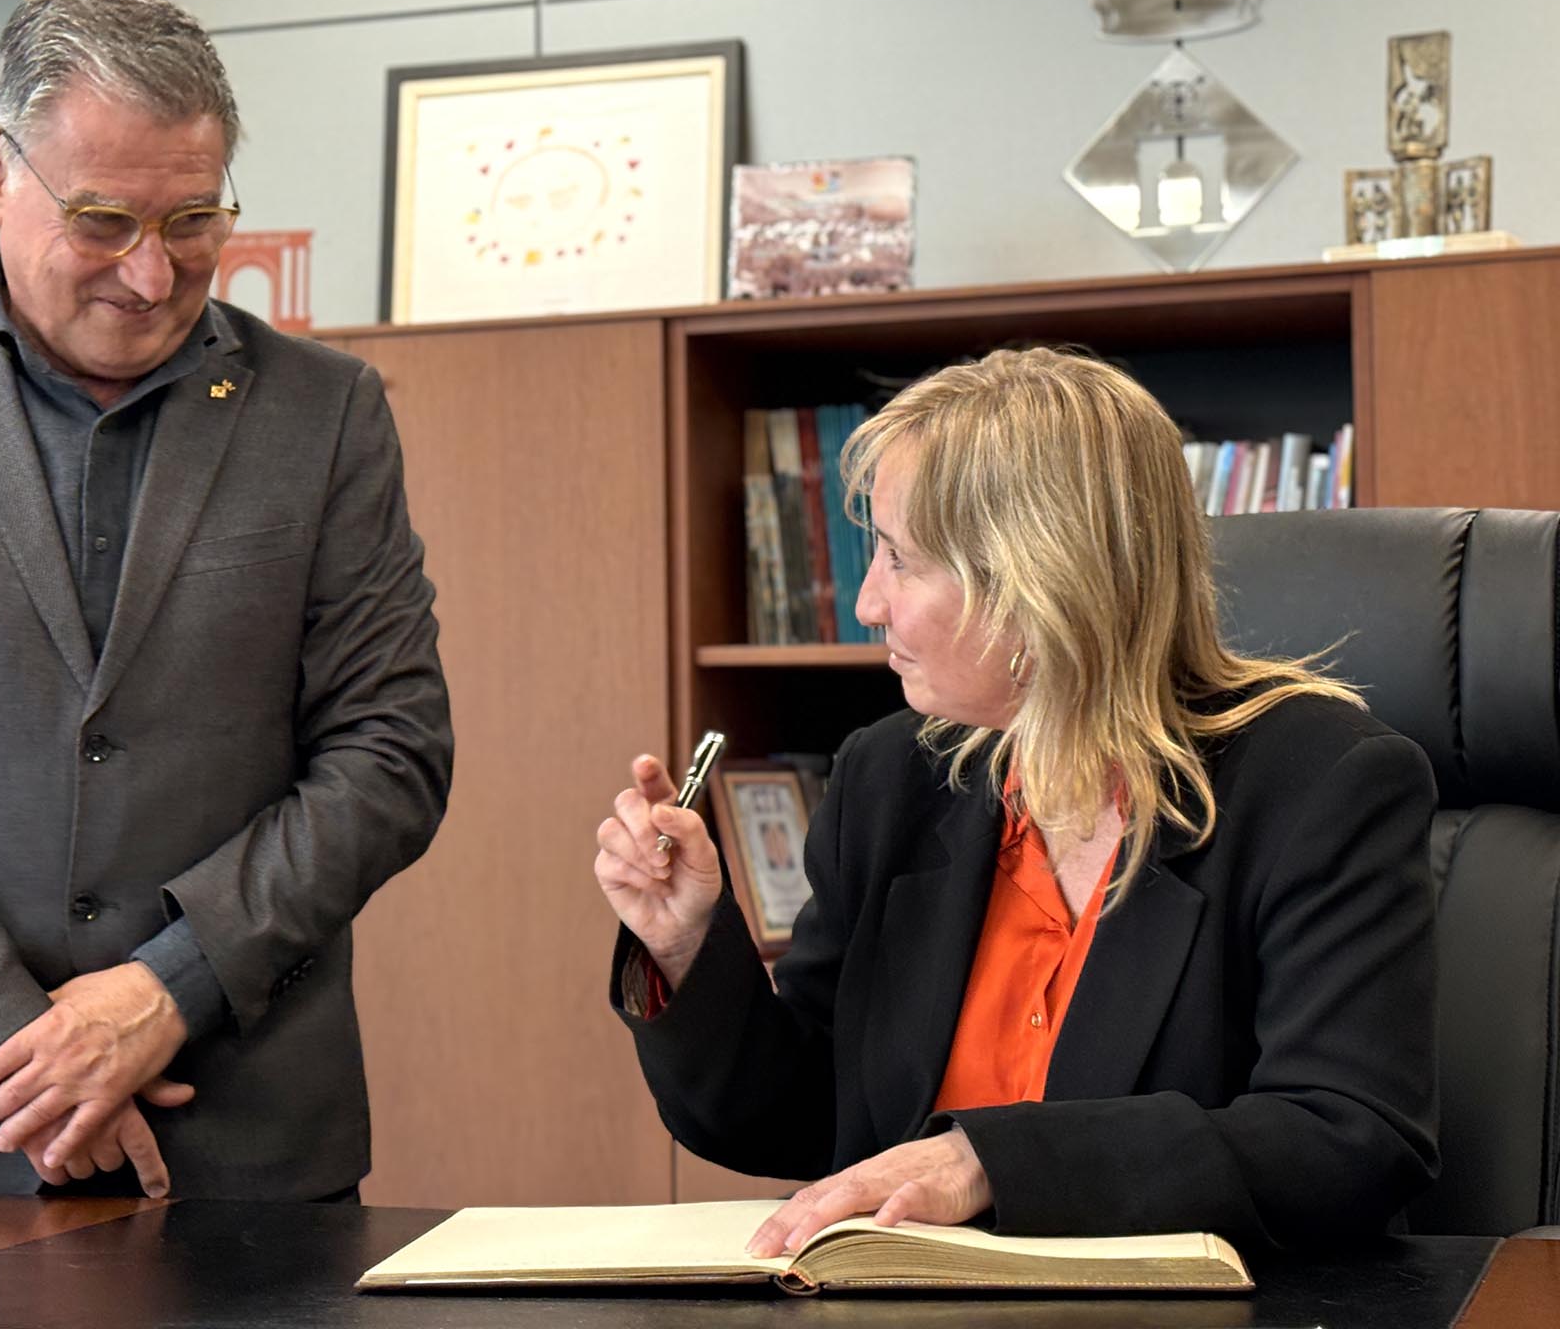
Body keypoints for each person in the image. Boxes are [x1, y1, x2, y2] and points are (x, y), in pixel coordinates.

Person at [0, 0, 452, 1201]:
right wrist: (16, 1052)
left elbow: (390, 752)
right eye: (105, 219)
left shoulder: (327, 414)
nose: (151, 274)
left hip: (248, 1147)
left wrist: (168, 989)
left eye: (191, 222)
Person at [594, 347, 1436, 1251]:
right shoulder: (890, 778)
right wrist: (685, 947)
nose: (868, 603)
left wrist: (986, 1163)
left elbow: (1348, 1142)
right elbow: (800, 1118)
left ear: (1039, 581)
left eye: (899, 560)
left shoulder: (1319, 783)